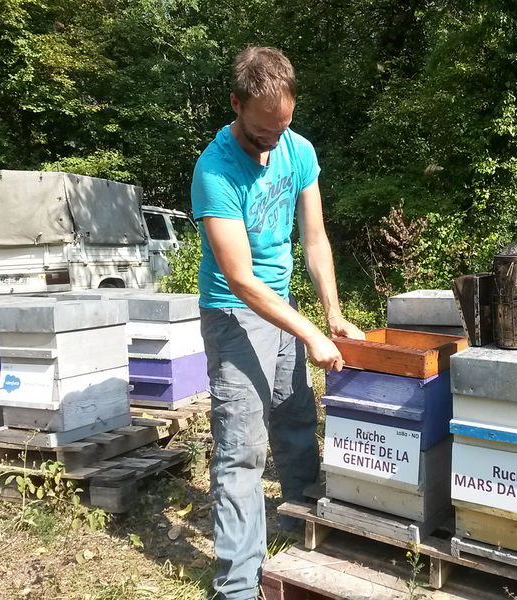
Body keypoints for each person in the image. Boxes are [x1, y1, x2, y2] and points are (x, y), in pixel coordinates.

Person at [191, 46, 364, 600]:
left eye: (283, 124)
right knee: (243, 447)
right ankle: (237, 585)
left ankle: (300, 525)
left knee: (294, 421)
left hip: (282, 307)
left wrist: (331, 313)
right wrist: (309, 332)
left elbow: (314, 240)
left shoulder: (299, 151)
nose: (273, 139)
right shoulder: (214, 169)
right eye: (264, 129)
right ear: (237, 104)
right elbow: (240, 277)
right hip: (234, 312)